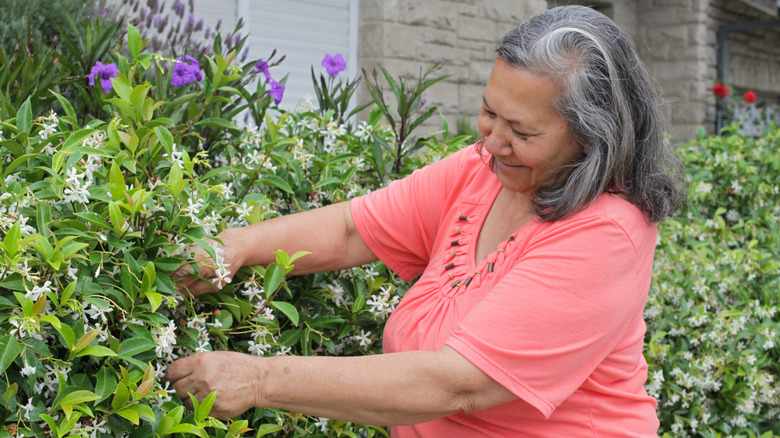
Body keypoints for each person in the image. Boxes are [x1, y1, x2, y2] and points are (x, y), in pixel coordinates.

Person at [164, 5, 685, 437]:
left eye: (523, 132)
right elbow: (353, 229)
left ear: (591, 138)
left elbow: (458, 383)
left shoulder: (607, 232)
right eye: (488, 112)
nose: (492, 140)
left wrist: (259, 379)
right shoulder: (485, 168)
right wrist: (235, 247)